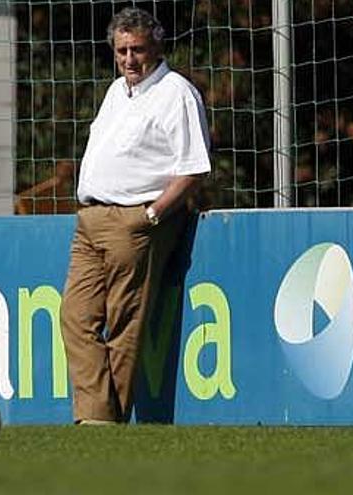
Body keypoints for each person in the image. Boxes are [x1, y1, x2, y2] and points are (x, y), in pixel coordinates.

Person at [60, 7, 211, 425]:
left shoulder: (176, 92)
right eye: (122, 50)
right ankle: (100, 414)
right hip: (90, 219)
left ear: (156, 47)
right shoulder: (116, 92)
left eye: (138, 50)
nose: (129, 59)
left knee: (125, 325)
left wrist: (153, 214)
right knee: (74, 317)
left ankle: (100, 423)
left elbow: (194, 167)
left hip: (135, 222)